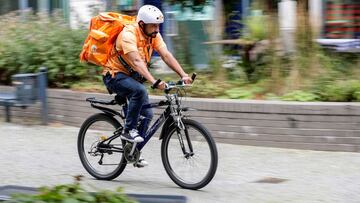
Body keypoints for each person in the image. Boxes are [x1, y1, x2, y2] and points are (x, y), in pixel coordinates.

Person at [102, 5, 192, 167]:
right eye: (154, 25)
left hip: (132, 77)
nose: (157, 29)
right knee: (139, 91)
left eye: (158, 25)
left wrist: (183, 74)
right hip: (114, 75)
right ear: (142, 24)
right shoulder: (128, 34)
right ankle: (129, 131)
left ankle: (133, 152)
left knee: (147, 114)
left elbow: (166, 55)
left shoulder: (153, 35)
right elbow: (136, 61)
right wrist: (153, 81)